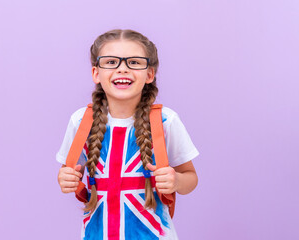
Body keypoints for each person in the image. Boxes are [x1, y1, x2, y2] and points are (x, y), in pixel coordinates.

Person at [56, 29, 200, 240]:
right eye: (112, 62)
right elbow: (67, 172)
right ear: (96, 73)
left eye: (134, 62)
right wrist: (65, 179)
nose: (122, 69)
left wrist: (176, 181)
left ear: (149, 74)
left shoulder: (166, 121)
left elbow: (191, 178)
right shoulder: (80, 121)